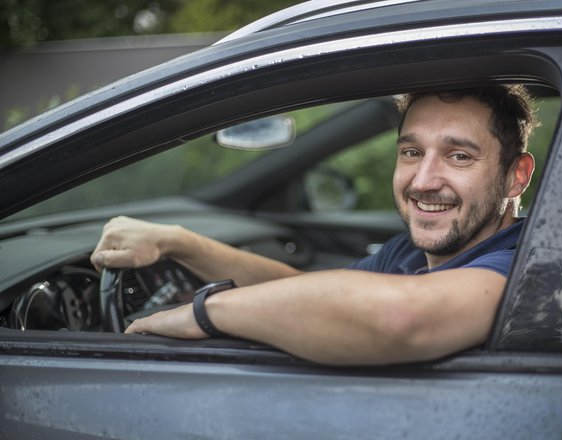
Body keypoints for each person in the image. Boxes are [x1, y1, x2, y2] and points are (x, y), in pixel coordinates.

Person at [91, 85, 537, 366]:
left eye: (459, 156)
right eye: (411, 152)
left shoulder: (523, 263)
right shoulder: (409, 253)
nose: (423, 181)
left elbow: (400, 316)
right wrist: (178, 241)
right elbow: (307, 289)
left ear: (516, 175)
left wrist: (204, 313)